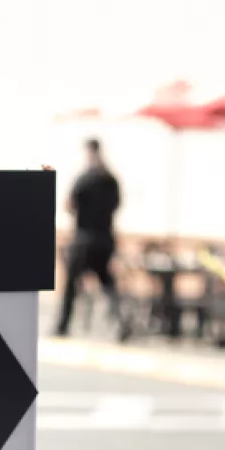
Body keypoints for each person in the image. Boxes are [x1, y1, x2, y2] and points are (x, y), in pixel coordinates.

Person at [55, 139, 129, 339]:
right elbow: (117, 206)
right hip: (105, 238)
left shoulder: (85, 178)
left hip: (84, 239)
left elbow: (69, 204)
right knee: (107, 283)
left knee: (71, 284)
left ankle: (62, 326)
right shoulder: (110, 179)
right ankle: (120, 324)